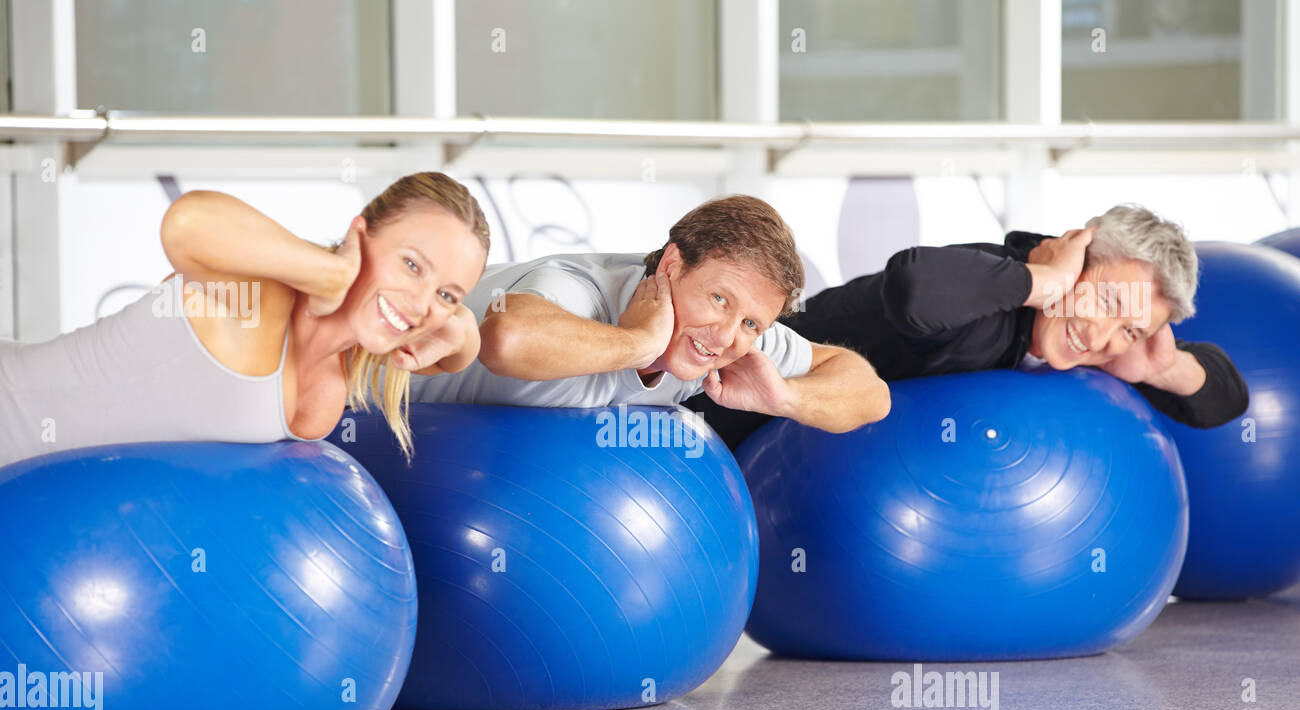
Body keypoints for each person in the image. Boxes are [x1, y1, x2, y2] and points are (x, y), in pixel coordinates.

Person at [0, 171, 487, 469]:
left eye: (446, 293)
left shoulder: (355, 351)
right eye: (411, 264)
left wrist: (457, 323)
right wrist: (330, 272)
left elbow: (459, 352)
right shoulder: (262, 302)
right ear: (360, 233)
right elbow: (186, 225)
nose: (421, 303)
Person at [685, 203, 1250, 449]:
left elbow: (1229, 400)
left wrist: (1166, 365)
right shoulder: (993, 291)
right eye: (1104, 300)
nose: (1100, 337)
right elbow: (912, 289)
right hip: (715, 411)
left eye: (1129, 329)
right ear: (1075, 258)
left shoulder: (1097, 344)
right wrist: (1040, 282)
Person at [407, 195, 892, 436]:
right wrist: (642, 344)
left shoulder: (727, 338)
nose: (725, 336)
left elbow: (870, 394)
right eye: (719, 299)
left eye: (752, 324)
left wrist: (784, 397)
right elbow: (504, 341)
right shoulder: (575, 289)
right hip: (366, 408)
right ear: (672, 264)